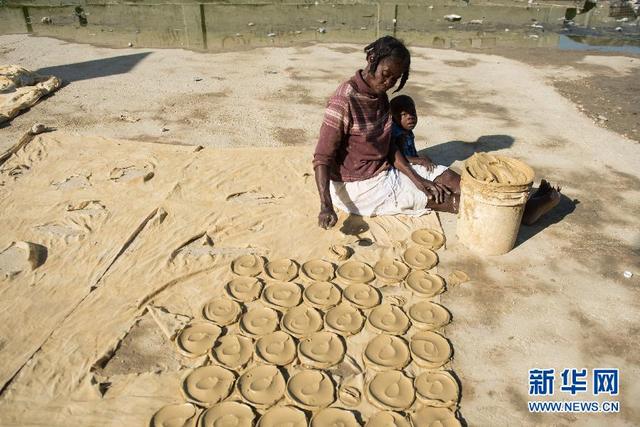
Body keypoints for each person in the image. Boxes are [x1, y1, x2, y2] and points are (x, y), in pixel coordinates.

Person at [313, 36, 560, 229]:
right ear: (371, 59)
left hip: (385, 168)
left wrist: (419, 179)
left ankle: (519, 204)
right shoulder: (344, 100)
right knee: (445, 199)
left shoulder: (380, 96)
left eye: (395, 79)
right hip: (360, 186)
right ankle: (522, 214)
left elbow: (388, 146)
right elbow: (322, 158)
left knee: (452, 180)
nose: (388, 83)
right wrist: (326, 206)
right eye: (386, 75)